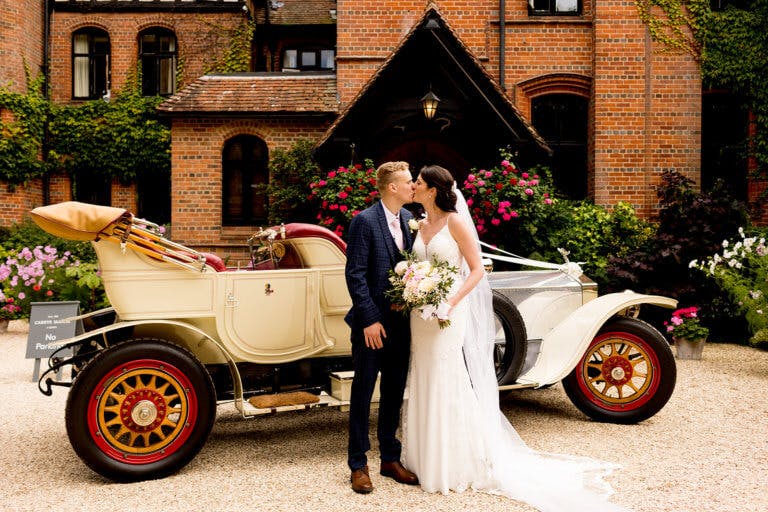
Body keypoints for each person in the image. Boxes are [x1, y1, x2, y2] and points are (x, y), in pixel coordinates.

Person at [402, 165, 631, 512]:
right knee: (422, 375)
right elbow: (416, 267)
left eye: (418, 183)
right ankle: (423, 458)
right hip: (420, 314)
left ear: (432, 190)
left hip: (449, 311)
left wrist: (450, 301)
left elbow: (476, 270)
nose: (413, 187)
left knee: (445, 376)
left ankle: (450, 463)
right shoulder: (419, 224)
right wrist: (412, 287)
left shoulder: (454, 222)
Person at [344, 161, 420, 494]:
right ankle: (358, 464)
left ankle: (390, 458)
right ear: (392, 187)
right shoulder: (364, 221)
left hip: (401, 325)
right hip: (371, 326)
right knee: (363, 393)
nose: (413, 186)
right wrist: (369, 320)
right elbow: (355, 275)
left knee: (394, 391)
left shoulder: (408, 219)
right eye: (408, 181)